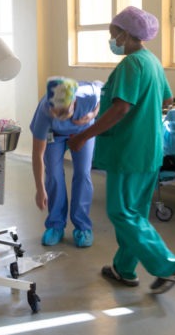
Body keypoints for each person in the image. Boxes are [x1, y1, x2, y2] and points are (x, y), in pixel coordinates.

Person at [68, 6, 175, 294]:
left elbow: (121, 107)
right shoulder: (152, 62)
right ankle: (124, 269)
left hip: (128, 151)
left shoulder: (131, 64)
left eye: (114, 34)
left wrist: (83, 136)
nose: (111, 39)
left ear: (126, 34)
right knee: (134, 212)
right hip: (150, 150)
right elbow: (167, 100)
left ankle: (169, 265)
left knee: (121, 212)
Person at [30, 77, 101, 247]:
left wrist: (91, 115)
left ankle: (83, 227)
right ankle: (55, 225)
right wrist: (40, 190)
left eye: (65, 113)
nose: (61, 117)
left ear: (74, 101)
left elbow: (99, 96)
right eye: (56, 113)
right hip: (54, 135)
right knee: (53, 175)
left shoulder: (88, 95)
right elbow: (37, 155)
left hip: (83, 130)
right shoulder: (44, 111)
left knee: (83, 173)